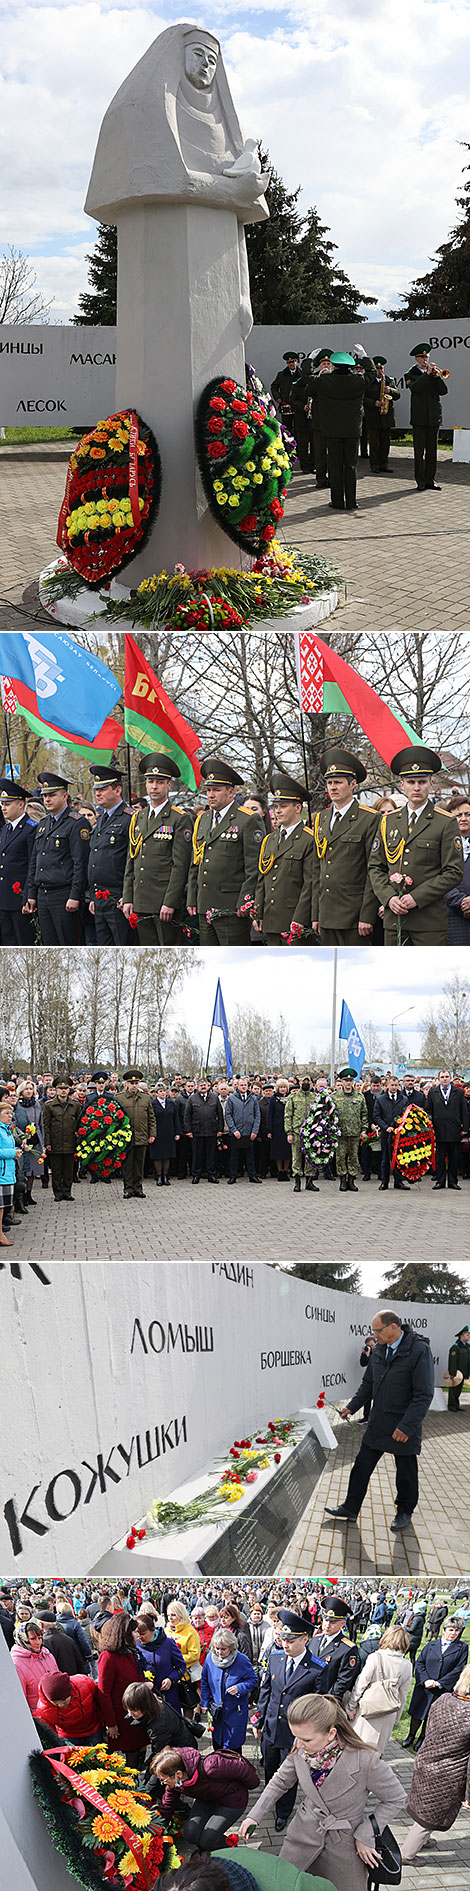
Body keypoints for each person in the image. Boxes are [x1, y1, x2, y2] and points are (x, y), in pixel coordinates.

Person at [238, 1691, 406, 1891]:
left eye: (306, 1740)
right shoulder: (301, 1745)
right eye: (296, 1737)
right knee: (286, 1884)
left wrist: (366, 1832)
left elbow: (396, 1798)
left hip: (345, 1844)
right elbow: (280, 1781)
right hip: (303, 1834)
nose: (299, 1745)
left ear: (331, 1733)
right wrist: (254, 1816)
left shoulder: (366, 1760)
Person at [325, 1307, 435, 1534]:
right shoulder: (379, 1350)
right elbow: (368, 1385)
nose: (375, 1335)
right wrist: (351, 1407)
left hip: (403, 1426)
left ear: (394, 1327)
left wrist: (406, 1426)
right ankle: (350, 1507)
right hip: (378, 1423)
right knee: (361, 1467)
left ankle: (404, 1511)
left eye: (378, 1330)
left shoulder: (418, 1350)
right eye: (373, 1331)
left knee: (405, 1473)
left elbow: (423, 1394)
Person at [368, 745, 463, 944]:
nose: (417, 787)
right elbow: (376, 867)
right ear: (402, 785)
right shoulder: (388, 821)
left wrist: (417, 898)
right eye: (411, 782)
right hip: (394, 920)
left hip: (428, 921)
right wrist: (388, 898)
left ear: (431, 783)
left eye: (422, 781)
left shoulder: (445, 822)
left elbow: (453, 872)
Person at [257, 1608, 324, 1833]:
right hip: (271, 1728)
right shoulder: (275, 1659)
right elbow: (266, 1691)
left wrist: (309, 1737)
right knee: (270, 1768)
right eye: (283, 1638)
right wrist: (259, 1720)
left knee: (289, 1776)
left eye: (291, 1640)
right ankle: (270, 1803)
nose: (285, 1644)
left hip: (294, 1735)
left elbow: (318, 1707)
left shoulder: (317, 1668)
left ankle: (283, 1812)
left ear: (305, 1639)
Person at [187, 759, 264, 945]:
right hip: (204, 904)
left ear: (231, 792)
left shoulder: (247, 820)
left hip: (232, 906)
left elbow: (254, 866)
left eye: (216, 790)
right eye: (208, 790)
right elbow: (196, 862)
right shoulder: (203, 820)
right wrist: (192, 897)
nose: (211, 795)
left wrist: (245, 901)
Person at [401, 1662, 470, 1861]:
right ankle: (407, 1854)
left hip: (425, 1762)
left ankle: (422, 1840)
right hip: (448, 1774)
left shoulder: (444, 1699)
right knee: (428, 1817)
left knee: (425, 1808)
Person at [122, 754, 193, 944]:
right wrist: (128, 897)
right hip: (141, 899)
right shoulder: (138, 818)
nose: (154, 786)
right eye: (150, 781)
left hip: (163, 901)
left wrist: (170, 902)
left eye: (159, 782)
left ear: (169, 785)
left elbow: (180, 865)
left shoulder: (179, 818)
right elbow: (132, 860)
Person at [311, 749, 378, 945]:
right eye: (330, 782)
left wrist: (367, 915)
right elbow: (318, 869)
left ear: (353, 784)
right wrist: (316, 914)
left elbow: (372, 870)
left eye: (338, 782)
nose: (333, 787)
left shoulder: (369, 819)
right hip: (326, 913)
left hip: (354, 915)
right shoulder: (321, 818)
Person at [24, 770, 90, 944]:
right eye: (45, 796)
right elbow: (35, 861)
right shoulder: (44, 823)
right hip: (43, 894)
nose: (47, 799)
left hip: (64, 894)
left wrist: (75, 895)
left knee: (70, 944)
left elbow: (80, 863)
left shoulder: (76, 822)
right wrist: (31, 894)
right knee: (49, 946)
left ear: (65, 796)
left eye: (52, 795)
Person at [153, 1742, 259, 1850]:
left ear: (178, 1774)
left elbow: (241, 1769)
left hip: (232, 1800)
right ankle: (207, 1850)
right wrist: (157, 1828)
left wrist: (253, 1785)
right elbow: (168, 1804)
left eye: (164, 1780)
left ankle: (232, 1850)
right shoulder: (174, 1783)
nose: (163, 1783)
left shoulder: (211, 1766)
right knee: (190, 1835)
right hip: (207, 1798)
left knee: (208, 1840)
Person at [253, 773, 313, 945]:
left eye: (283, 806)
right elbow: (262, 879)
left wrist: (300, 919)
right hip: (271, 919)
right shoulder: (269, 840)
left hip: (294, 920)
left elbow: (309, 884)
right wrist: (258, 912)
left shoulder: (308, 839)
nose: (278, 811)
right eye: (276, 806)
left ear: (297, 808)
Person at [401, 1617, 467, 1749]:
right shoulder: (431, 1644)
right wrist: (425, 1680)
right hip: (424, 1687)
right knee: (417, 1713)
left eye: (456, 1630)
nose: (453, 1633)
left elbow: (459, 1668)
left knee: (432, 1716)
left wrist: (439, 1683)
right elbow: (420, 1663)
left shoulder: (462, 1648)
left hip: (441, 1689)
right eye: (451, 1630)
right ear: (444, 1630)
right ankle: (411, 1736)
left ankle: (422, 1739)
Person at [87, 763, 133, 943]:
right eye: (96, 789)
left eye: (103, 789)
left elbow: (133, 861)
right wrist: (92, 895)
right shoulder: (101, 820)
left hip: (118, 897)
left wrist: (128, 895)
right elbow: (95, 858)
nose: (98, 793)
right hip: (99, 897)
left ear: (118, 790)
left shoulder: (129, 818)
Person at [348, 1625, 412, 1753]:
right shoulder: (407, 1665)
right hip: (389, 1711)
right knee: (376, 1751)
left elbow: (361, 1684)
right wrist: (397, 1717)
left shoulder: (374, 1658)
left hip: (367, 1709)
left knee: (358, 1747)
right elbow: (403, 1695)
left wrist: (351, 1706)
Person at [315, 352, 364, 512]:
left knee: (335, 467)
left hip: (333, 430)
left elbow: (307, 378)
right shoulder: (358, 380)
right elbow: (370, 375)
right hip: (352, 430)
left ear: (334, 366)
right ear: (350, 366)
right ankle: (351, 501)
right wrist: (365, 358)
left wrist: (310, 359)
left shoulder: (325, 379)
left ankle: (337, 501)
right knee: (350, 466)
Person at [97, 1610, 146, 1756]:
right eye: (135, 1632)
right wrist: (111, 1724)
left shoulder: (132, 1652)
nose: (137, 1635)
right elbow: (103, 1693)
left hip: (137, 1713)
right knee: (130, 1754)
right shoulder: (108, 1657)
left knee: (138, 1752)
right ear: (125, 1634)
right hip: (122, 1717)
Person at [201, 1627, 257, 1752]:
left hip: (235, 1711)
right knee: (218, 1743)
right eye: (217, 1648)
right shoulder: (210, 1658)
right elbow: (205, 1681)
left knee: (233, 1745)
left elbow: (253, 1680)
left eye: (223, 1649)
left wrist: (240, 1688)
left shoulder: (242, 1660)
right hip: (217, 1711)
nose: (219, 1652)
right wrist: (204, 1702)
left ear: (231, 1647)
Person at [405, 342, 448, 491]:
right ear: (416, 359)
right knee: (419, 452)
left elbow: (443, 391)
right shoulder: (410, 374)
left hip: (434, 417)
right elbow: (415, 389)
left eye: (427, 357)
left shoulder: (434, 374)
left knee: (432, 451)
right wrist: (428, 375)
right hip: (419, 418)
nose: (425, 360)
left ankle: (431, 480)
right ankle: (420, 481)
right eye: (422, 357)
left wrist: (437, 377)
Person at [0, 780, 36, 944]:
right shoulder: (5, 829)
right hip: (4, 898)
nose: (3, 808)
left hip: (19, 899)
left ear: (21, 804)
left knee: (24, 943)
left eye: (7, 804)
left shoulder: (31, 828)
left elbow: (31, 865)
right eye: (2, 804)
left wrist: (27, 896)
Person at [115, 1067, 155, 1199]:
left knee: (139, 1164)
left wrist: (152, 1134)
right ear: (126, 1084)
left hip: (142, 1136)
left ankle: (138, 1188)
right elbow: (115, 1119)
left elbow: (151, 1117)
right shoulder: (119, 1098)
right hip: (126, 1138)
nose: (134, 1085)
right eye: (131, 1083)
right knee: (127, 1165)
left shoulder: (145, 1098)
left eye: (136, 1083)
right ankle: (128, 1188)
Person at [308, 1600, 360, 1700]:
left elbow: (343, 1680)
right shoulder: (315, 1640)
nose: (327, 1625)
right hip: (307, 1695)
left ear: (342, 1624)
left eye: (333, 1622)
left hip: (327, 1700)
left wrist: (326, 1698)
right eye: (326, 1620)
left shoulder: (348, 1648)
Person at [35, 1668, 104, 1741]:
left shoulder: (85, 1683)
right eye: (55, 1702)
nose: (61, 1705)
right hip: (68, 1736)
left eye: (64, 1700)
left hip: (94, 1729)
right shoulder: (43, 1710)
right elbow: (51, 1732)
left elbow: (100, 1701)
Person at [135, 1610, 187, 1707]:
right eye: (137, 1634)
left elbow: (181, 1667)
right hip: (147, 1698)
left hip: (169, 1697)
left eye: (143, 1633)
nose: (140, 1637)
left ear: (153, 1630)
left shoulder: (168, 1643)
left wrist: (171, 1679)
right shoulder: (135, 1647)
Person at [42, 1073, 80, 1204]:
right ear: (56, 1090)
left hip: (70, 1142)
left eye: (66, 1088)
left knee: (69, 1170)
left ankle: (67, 1192)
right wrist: (47, 1142)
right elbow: (46, 1126)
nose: (63, 1091)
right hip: (55, 1142)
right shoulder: (49, 1105)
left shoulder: (75, 1105)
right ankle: (58, 1193)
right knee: (57, 1170)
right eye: (60, 1088)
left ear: (69, 1090)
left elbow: (80, 1124)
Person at [427, 1070, 467, 1191]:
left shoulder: (459, 1092)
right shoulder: (433, 1092)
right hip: (438, 1130)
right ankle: (440, 1181)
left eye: (447, 1077)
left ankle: (453, 1182)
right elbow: (428, 1110)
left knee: (454, 1157)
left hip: (454, 1129)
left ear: (450, 1078)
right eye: (442, 1077)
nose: (445, 1079)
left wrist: (464, 1127)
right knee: (439, 1158)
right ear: (438, 1078)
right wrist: (430, 1127)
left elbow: (464, 1110)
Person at [11, 1618, 59, 1712]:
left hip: (57, 1711)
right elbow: (21, 1699)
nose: (38, 1642)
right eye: (33, 1639)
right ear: (22, 1639)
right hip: (39, 1716)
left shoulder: (47, 1654)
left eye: (40, 1638)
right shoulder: (16, 1663)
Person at [271, 352, 309, 471]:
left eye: (293, 362)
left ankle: (298, 452)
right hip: (286, 405)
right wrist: (277, 397)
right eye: (289, 362)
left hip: (298, 407)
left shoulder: (302, 374)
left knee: (299, 430)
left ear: (297, 362)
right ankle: (287, 453)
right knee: (286, 430)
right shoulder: (281, 375)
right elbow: (274, 386)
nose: (291, 364)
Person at [334, 1068, 368, 1194]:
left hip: (355, 1132)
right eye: (346, 1080)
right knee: (340, 1157)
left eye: (350, 1080)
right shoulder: (335, 1097)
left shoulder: (359, 1097)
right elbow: (330, 1115)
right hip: (340, 1133)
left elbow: (364, 1114)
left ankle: (351, 1180)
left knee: (353, 1157)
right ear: (341, 1082)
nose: (348, 1083)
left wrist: (364, 1130)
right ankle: (343, 1180)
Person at [363, 357, 399, 473]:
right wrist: (374, 403)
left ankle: (384, 464)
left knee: (385, 443)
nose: (380, 370)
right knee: (374, 443)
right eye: (377, 368)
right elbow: (362, 398)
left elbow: (397, 395)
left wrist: (391, 391)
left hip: (386, 416)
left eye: (381, 368)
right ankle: (374, 465)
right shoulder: (367, 381)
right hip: (373, 416)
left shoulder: (389, 380)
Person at [184, 1078, 224, 1185]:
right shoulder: (192, 1099)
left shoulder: (214, 1098)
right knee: (197, 1155)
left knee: (211, 1155)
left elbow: (220, 1115)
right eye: (201, 1085)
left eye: (205, 1085)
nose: (203, 1087)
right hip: (197, 1132)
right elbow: (187, 1116)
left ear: (209, 1086)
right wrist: (188, 1130)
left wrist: (220, 1129)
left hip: (211, 1131)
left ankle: (211, 1174)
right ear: (197, 1087)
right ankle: (196, 1175)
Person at [373, 1075, 408, 1192]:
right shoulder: (381, 1099)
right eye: (391, 1085)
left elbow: (406, 1115)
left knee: (399, 1158)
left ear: (399, 1086)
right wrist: (385, 1127)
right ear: (387, 1085)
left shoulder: (404, 1099)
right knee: (385, 1158)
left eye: (396, 1085)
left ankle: (399, 1182)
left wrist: (401, 1127)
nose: (393, 1087)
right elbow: (376, 1116)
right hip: (386, 1133)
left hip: (400, 1133)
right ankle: (384, 1182)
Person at [284, 1078, 319, 1195]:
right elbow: (288, 1116)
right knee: (296, 1158)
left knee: (310, 1158)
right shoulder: (293, 1097)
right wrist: (289, 1132)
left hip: (312, 1133)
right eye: (303, 1082)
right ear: (299, 1083)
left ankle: (309, 1182)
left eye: (308, 1082)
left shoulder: (315, 1097)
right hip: (297, 1132)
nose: (305, 1084)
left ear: (311, 1084)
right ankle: (297, 1182)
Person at [225, 1076, 261, 1184]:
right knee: (234, 1156)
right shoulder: (231, 1098)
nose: (244, 1087)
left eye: (245, 1085)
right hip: (236, 1133)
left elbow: (257, 1116)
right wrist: (234, 1130)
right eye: (241, 1085)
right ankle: (233, 1176)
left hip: (249, 1132)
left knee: (250, 1156)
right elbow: (228, 1115)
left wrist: (255, 1131)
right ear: (237, 1086)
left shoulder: (253, 1098)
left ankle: (252, 1176)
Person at [445, 794, 470, 942]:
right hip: (454, 917)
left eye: (468, 814)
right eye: (458, 815)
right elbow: (439, 877)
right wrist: (461, 902)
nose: (463, 818)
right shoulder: (443, 845)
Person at [151, 1080, 181, 1184]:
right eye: (160, 1091)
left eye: (164, 1091)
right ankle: (159, 1176)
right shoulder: (152, 1104)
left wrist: (177, 1133)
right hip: (157, 1132)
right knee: (158, 1155)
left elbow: (176, 1118)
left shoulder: (171, 1103)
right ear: (156, 1093)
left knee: (167, 1155)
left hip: (169, 1132)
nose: (163, 1093)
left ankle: (165, 1175)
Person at [0, 1093, 18, 1244]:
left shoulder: (6, 1130)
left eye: (11, 1113)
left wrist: (17, 1150)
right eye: (6, 1113)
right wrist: (13, 1153)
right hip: (1, 1172)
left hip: (7, 1172)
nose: (10, 1116)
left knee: (2, 1207)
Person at [266, 1079, 291, 1180]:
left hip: (288, 1129)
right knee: (278, 1152)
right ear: (277, 1088)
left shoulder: (291, 1098)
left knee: (287, 1151)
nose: (283, 1089)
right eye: (281, 1087)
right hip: (277, 1129)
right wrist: (269, 1130)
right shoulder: (273, 1099)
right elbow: (270, 1115)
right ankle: (280, 1171)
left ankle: (286, 1171)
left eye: (284, 1087)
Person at [446, 1324, 470, 1411]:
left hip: (463, 1372)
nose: (469, 1336)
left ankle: (456, 1404)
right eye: (467, 1335)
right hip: (457, 1373)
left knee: (459, 1390)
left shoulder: (467, 1347)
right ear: (461, 1336)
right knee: (454, 1389)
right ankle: (451, 1405)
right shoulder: (455, 1347)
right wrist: (452, 1373)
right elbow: (453, 1361)